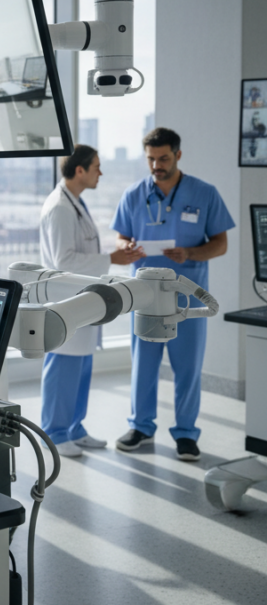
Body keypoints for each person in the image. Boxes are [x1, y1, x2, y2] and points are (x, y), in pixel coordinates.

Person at [111, 127, 234, 461]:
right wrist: (128, 247)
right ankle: (140, 426)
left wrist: (190, 254)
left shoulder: (204, 193)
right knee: (144, 366)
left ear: (178, 155)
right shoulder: (133, 194)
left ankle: (185, 434)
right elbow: (121, 237)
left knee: (188, 368)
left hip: (188, 298)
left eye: (163, 158)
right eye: (150, 159)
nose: (156, 165)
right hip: (146, 297)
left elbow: (220, 243)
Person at [38, 145, 144, 458]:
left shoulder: (74, 203)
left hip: (81, 300)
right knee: (63, 369)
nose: (101, 172)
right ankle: (55, 433)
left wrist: (111, 258)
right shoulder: (59, 207)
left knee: (81, 368)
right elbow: (64, 260)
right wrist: (111, 258)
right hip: (65, 302)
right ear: (80, 170)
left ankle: (74, 428)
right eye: (97, 166)